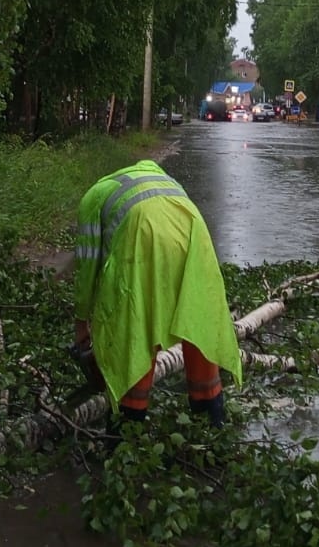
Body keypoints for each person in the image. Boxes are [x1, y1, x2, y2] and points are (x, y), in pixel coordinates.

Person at [71, 160, 242, 426]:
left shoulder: (93, 197)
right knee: (199, 318)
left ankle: (128, 426)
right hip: (194, 232)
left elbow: (88, 265)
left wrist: (82, 322)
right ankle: (211, 418)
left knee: (135, 322)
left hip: (142, 232)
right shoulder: (164, 181)